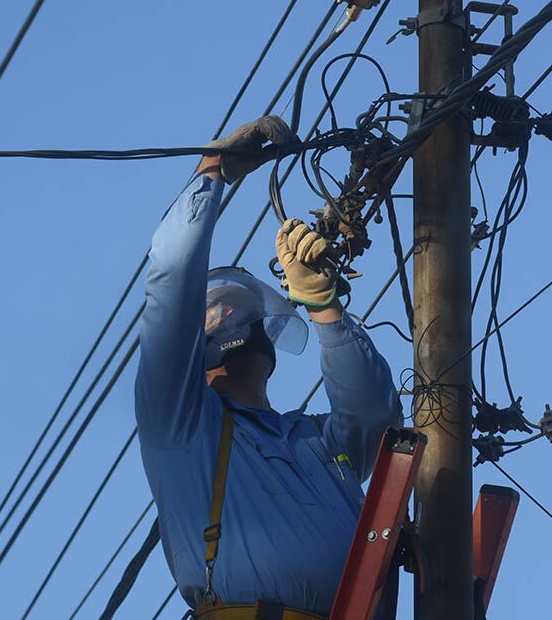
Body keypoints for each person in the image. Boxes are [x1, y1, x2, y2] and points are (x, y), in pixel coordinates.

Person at [135, 115, 402, 619]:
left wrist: (323, 304)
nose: (239, 315)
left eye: (246, 307)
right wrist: (214, 171)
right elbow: (170, 279)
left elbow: (374, 415)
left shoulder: (315, 443)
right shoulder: (181, 424)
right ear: (196, 341)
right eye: (219, 308)